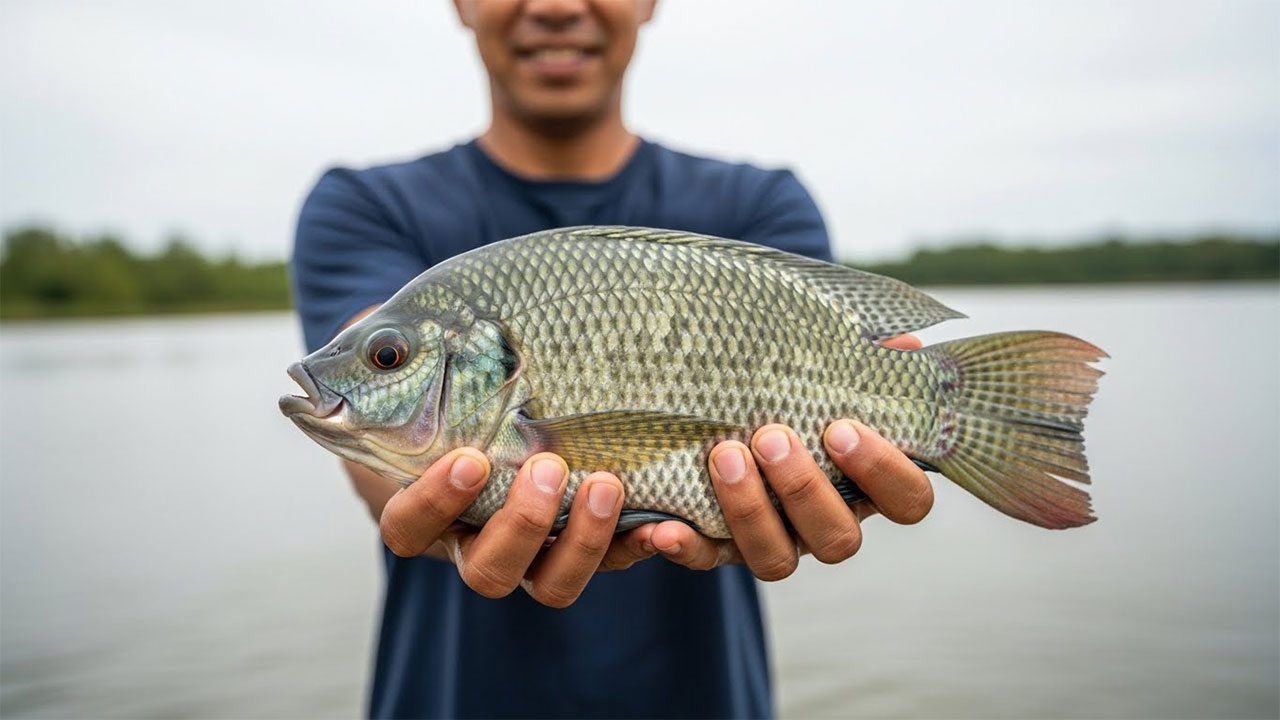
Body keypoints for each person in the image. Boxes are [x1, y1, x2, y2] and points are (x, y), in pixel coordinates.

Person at [291, 1, 934, 717]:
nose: (559, 6)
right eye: (389, 356)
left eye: (387, 357)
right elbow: (373, 453)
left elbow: (827, 397)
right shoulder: (361, 205)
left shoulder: (762, 204)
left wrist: (843, 479)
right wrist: (433, 514)